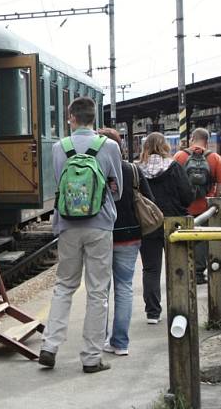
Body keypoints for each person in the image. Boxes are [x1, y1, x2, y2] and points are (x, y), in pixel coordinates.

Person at [38, 97, 122, 374]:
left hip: (67, 224)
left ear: (71, 117)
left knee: (64, 285)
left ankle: (49, 346)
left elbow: (59, 182)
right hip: (100, 225)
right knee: (98, 291)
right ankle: (90, 357)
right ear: (94, 118)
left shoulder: (60, 147)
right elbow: (117, 191)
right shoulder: (109, 146)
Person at [98, 127, 154, 356]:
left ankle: (98, 339)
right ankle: (120, 343)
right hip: (130, 237)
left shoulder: (95, 168)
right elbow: (150, 200)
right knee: (124, 288)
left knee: (100, 291)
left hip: (101, 234)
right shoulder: (132, 169)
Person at [136, 132, 193, 323]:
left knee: (151, 269)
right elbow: (187, 196)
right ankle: (179, 309)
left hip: (148, 224)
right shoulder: (175, 167)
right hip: (174, 223)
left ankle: (153, 313)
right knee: (176, 266)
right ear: (165, 146)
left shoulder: (137, 169)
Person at [173, 127, 221, 284]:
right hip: (206, 209)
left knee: (182, 239)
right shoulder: (215, 158)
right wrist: (215, 199)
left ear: (192, 138)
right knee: (202, 241)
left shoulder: (180, 156)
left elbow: (172, 181)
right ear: (207, 141)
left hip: (184, 208)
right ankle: (198, 273)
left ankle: (182, 272)